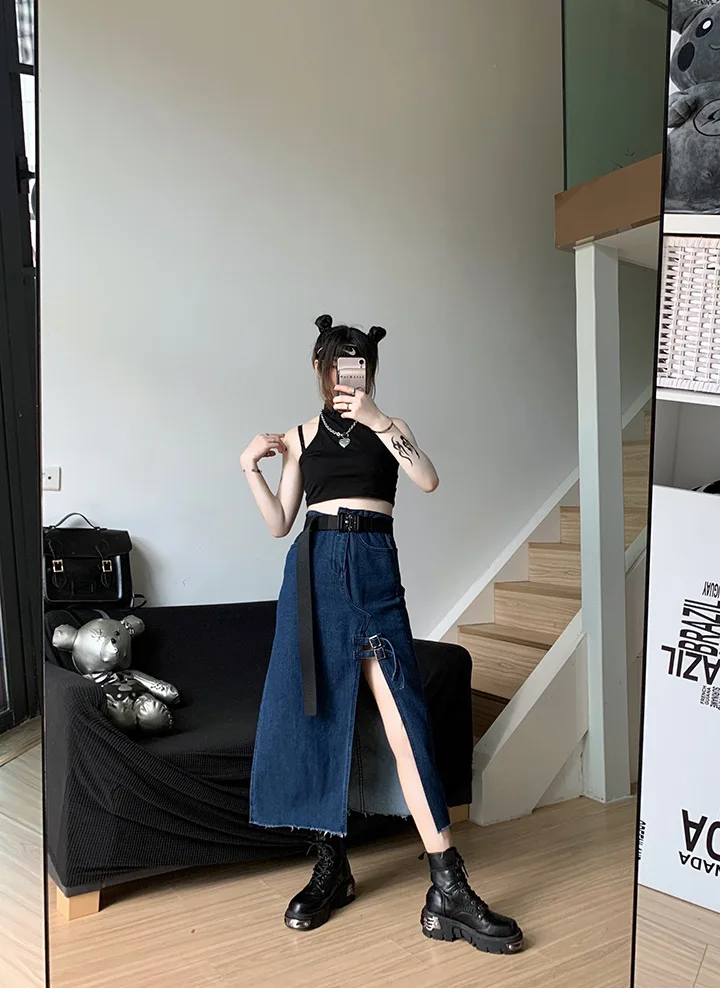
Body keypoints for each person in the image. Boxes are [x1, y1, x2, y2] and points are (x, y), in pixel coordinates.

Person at [241, 314, 523, 955]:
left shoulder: (391, 428)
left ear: (368, 370)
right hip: (314, 572)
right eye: (338, 365)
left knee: (405, 720)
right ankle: (331, 866)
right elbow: (280, 522)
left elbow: (426, 478)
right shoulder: (300, 436)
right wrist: (249, 467)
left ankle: (448, 887)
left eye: (359, 365)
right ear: (320, 369)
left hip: (373, 568)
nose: (347, 376)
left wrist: (377, 419)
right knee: (318, 716)